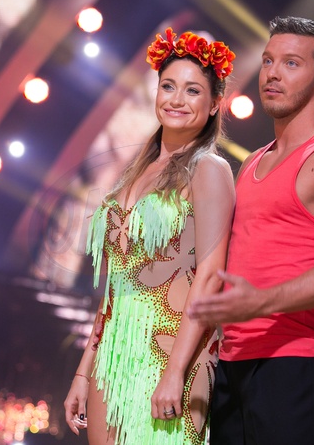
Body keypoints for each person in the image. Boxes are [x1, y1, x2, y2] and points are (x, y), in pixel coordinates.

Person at [187, 16, 314, 444]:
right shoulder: (253, 161)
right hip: (233, 362)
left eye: (291, 63)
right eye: (267, 61)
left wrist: (261, 301)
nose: (272, 73)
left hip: (294, 362)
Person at [63, 28, 236, 444]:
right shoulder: (133, 172)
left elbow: (210, 277)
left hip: (174, 352)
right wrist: (84, 371)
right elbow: (115, 286)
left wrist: (175, 371)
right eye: (168, 86)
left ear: (215, 103)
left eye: (193, 90)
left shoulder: (209, 170)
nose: (176, 99)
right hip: (113, 355)